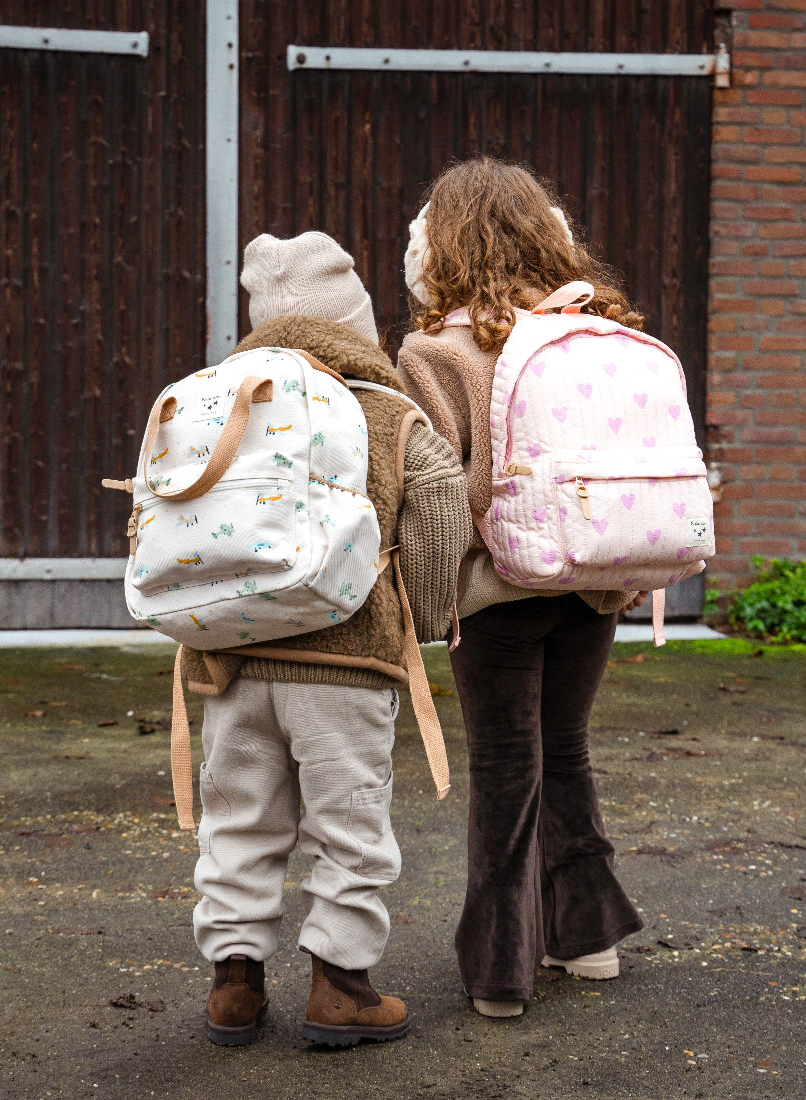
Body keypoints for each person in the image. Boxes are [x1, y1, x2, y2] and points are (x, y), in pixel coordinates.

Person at [183, 231, 471, 1046]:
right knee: (349, 824)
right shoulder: (384, 409)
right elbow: (443, 500)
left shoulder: (215, 399)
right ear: (357, 321)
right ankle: (341, 989)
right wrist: (414, 614)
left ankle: (234, 984)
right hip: (345, 663)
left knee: (238, 817)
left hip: (234, 656)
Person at [396, 157, 646, 1018]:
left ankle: (501, 975)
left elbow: (437, 489)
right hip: (595, 579)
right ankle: (590, 942)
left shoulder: (435, 347)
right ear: (551, 232)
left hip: (501, 591)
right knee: (566, 752)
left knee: (506, 769)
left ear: (443, 244)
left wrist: (428, 601)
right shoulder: (596, 326)